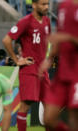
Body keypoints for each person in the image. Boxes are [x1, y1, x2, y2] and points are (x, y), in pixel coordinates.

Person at [2, 0, 50, 130]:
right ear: (34, 5)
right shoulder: (26, 21)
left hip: (43, 70)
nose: (46, 7)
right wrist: (17, 60)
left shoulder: (47, 21)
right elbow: (6, 40)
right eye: (43, 4)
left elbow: (45, 43)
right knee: (25, 105)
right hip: (29, 69)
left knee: (50, 104)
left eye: (47, 4)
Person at [39, 0, 78, 130]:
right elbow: (58, 39)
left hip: (76, 73)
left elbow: (64, 37)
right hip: (62, 73)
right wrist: (49, 59)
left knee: (73, 117)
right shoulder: (63, 6)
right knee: (48, 119)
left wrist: (68, 38)